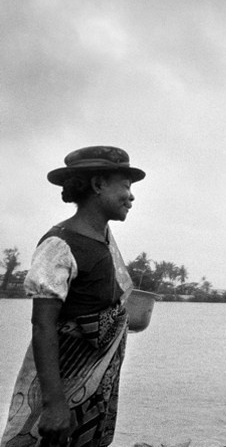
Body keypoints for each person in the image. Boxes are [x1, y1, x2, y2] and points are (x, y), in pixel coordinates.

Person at [2, 146, 145, 447]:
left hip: (94, 395)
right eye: (126, 186)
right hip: (63, 390)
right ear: (97, 185)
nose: (131, 197)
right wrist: (54, 405)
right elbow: (43, 327)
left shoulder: (104, 241)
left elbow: (99, 309)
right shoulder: (59, 246)